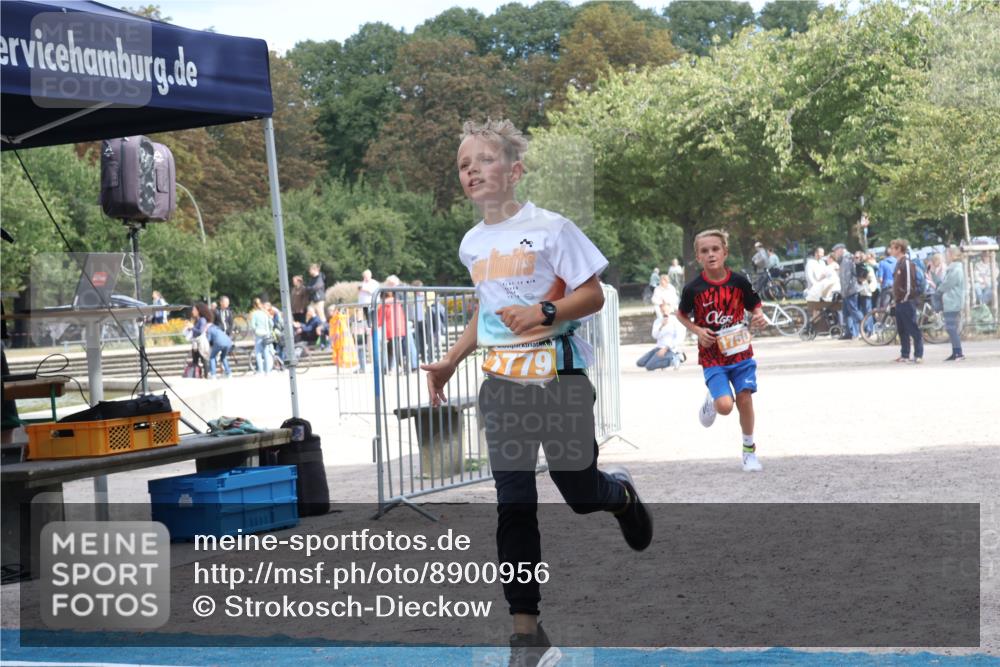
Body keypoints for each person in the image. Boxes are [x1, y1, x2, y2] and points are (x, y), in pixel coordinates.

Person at [420, 118, 651, 666]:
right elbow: (487, 307)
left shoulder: (552, 228)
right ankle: (527, 634)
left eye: (484, 159)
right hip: (502, 387)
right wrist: (452, 360)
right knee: (513, 503)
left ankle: (617, 495)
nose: (471, 170)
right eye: (463, 164)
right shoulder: (472, 243)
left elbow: (593, 295)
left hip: (561, 378)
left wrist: (545, 310)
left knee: (578, 492)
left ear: (515, 171)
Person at [676, 229, 767, 473]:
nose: (711, 254)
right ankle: (714, 399)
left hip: (740, 352)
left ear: (725, 252)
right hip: (712, 357)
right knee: (725, 407)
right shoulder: (693, 289)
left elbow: (755, 306)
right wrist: (697, 330)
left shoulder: (739, 282)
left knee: (745, 398)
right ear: (698, 257)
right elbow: (681, 315)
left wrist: (758, 317)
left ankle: (749, 451)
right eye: (704, 251)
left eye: (715, 249)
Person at [889, 238, 923, 364]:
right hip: (899, 301)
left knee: (913, 328)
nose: (890, 250)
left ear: (899, 249)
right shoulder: (898, 263)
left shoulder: (906, 263)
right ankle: (905, 354)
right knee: (902, 329)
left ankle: (918, 354)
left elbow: (909, 284)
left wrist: (904, 298)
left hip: (907, 301)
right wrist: (895, 300)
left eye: (893, 248)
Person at [938, 246, 966, 361]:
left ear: (953, 255)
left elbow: (947, 284)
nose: (946, 256)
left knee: (951, 328)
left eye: (947, 254)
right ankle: (956, 352)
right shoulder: (954, 269)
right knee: (951, 328)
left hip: (953, 302)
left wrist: (938, 289)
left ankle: (958, 352)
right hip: (951, 301)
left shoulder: (955, 270)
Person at [832, 243, 861, 339]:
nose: (835, 254)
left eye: (836, 251)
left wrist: (844, 291)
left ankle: (865, 328)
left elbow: (847, 277)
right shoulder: (844, 259)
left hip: (850, 291)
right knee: (846, 313)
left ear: (840, 250)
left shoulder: (846, 259)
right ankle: (849, 333)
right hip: (846, 291)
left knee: (854, 312)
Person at [250, 297, 274, 374]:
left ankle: (261, 371)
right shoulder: (265, 313)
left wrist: (256, 330)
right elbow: (271, 324)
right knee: (266, 352)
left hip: (259, 335)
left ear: (254, 305)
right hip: (266, 334)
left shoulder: (254, 314)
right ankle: (268, 371)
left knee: (258, 353)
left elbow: (253, 326)